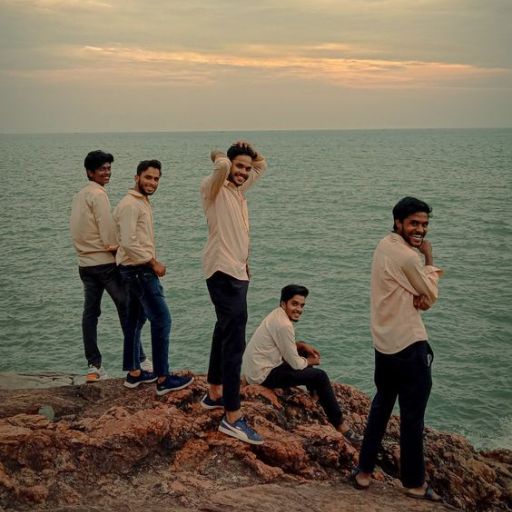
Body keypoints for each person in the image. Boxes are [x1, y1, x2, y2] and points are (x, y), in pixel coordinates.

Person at [353, 197, 443, 502]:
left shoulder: (383, 246)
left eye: (424, 225)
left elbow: (421, 296)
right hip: (409, 345)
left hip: (384, 346)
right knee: (412, 418)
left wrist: (418, 294)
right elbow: (430, 297)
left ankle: (363, 472)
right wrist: (429, 259)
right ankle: (414, 483)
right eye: (414, 223)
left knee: (381, 407)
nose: (420, 230)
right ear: (398, 222)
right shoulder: (409, 258)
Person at [200, 141, 267, 445]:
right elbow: (221, 165)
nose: (242, 172)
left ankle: (214, 391)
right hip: (223, 272)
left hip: (237, 270)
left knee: (223, 329)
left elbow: (261, 165)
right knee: (235, 342)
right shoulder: (213, 188)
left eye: (246, 168)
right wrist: (222, 155)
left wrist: (250, 152)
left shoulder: (238, 191)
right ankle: (232, 417)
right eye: (239, 166)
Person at [242, 284, 362, 444]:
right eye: (294, 304)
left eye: (302, 305)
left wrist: (302, 346)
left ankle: (315, 396)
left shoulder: (277, 315)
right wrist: (312, 361)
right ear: (283, 303)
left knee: (303, 348)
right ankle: (341, 426)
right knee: (320, 376)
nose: (299, 309)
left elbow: (284, 346)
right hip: (262, 376)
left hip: (257, 368)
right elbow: (297, 364)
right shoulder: (284, 325)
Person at [70, 150, 151, 383]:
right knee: (129, 312)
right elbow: (108, 236)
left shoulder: (79, 195)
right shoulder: (99, 195)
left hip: (85, 265)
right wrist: (129, 254)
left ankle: (94, 366)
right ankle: (141, 361)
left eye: (108, 168)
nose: (107, 172)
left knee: (90, 314)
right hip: (105, 265)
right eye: (102, 169)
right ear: (90, 172)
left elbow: (77, 230)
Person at [113, 159, 193, 396]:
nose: (152, 182)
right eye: (148, 177)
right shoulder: (131, 205)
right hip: (140, 271)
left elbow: (124, 239)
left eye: (156, 179)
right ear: (136, 177)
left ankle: (134, 374)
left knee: (135, 321)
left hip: (132, 270)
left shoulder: (140, 202)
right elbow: (128, 242)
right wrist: (152, 262)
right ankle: (163, 379)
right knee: (162, 320)